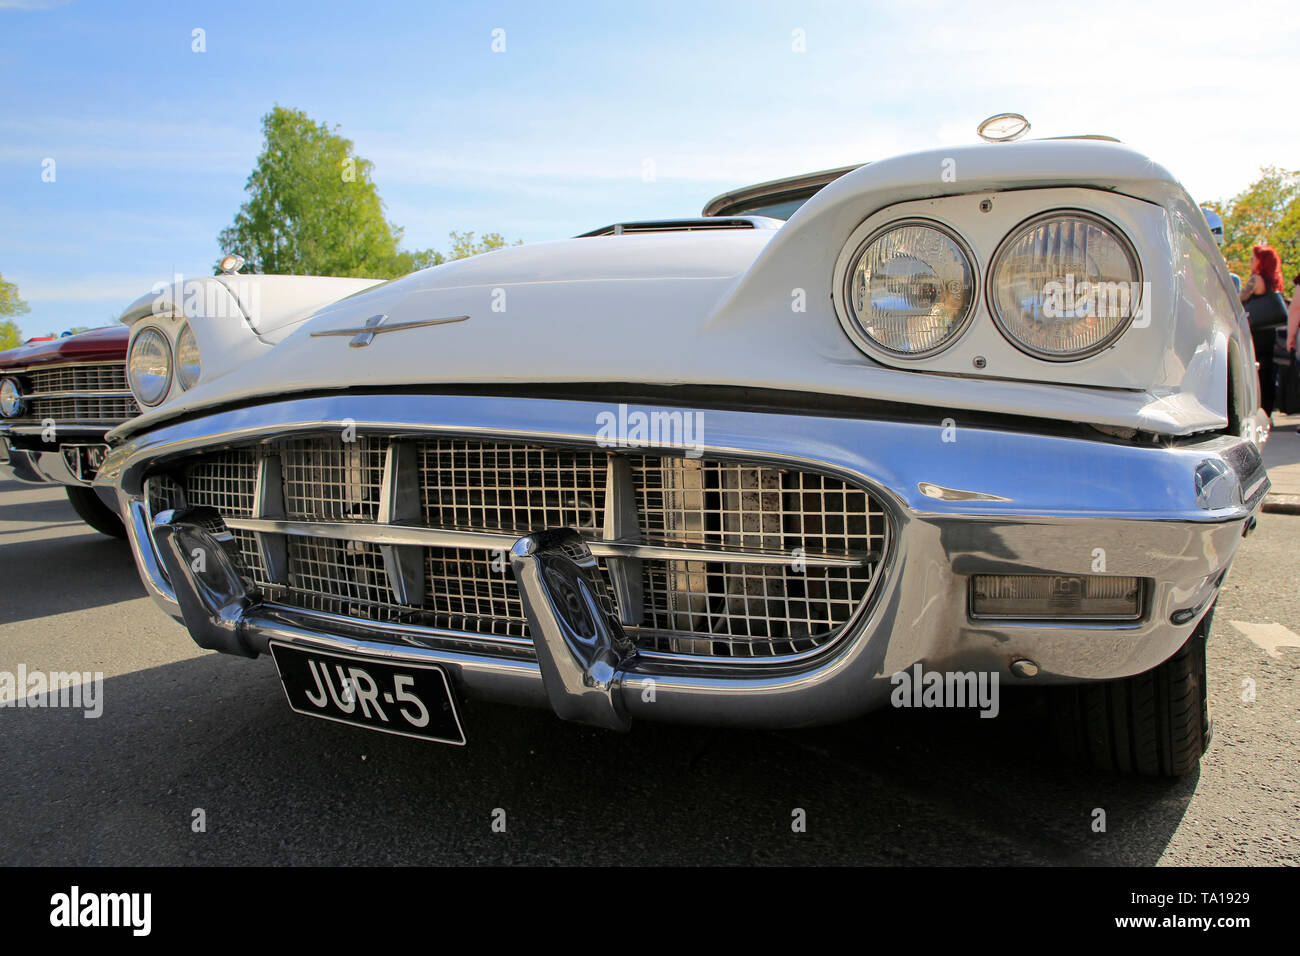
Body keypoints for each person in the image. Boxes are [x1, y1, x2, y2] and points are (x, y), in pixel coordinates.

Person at [1240, 244, 1288, 415]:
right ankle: (1267, 411)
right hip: (1270, 331)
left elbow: (1239, 298)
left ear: (1261, 261)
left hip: (1258, 332)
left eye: (1254, 258)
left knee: (1257, 372)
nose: (1251, 261)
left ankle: (1259, 410)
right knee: (1269, 373)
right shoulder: (1272, 280)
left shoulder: (1255, 279)